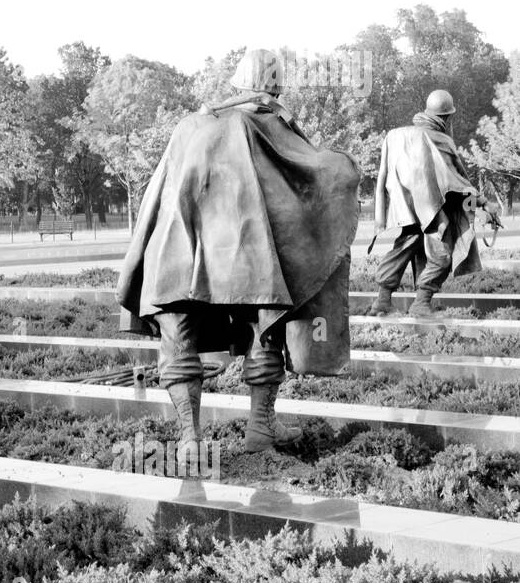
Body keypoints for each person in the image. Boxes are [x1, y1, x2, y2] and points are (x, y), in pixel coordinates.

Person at [117, 49, 360, 452]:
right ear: (274, 83)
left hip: (177, 256)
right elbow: (309, 175)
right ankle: (259, 428)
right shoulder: (266, 125)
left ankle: (190, 439)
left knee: (178, 337)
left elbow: (156, 196)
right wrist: (344, 167)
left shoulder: (190, 125)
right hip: (246, 259)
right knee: (263, 325)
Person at [369, 90, 496, 317]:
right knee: (442, 255)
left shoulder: (397, 136)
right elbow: (458, 183)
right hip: (431, 211)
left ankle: (382, 300)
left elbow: (383, 177)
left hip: (406, 210)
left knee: (405, 247)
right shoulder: (440, 139)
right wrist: (484, 203)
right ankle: (422, 302)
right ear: (447, 117)